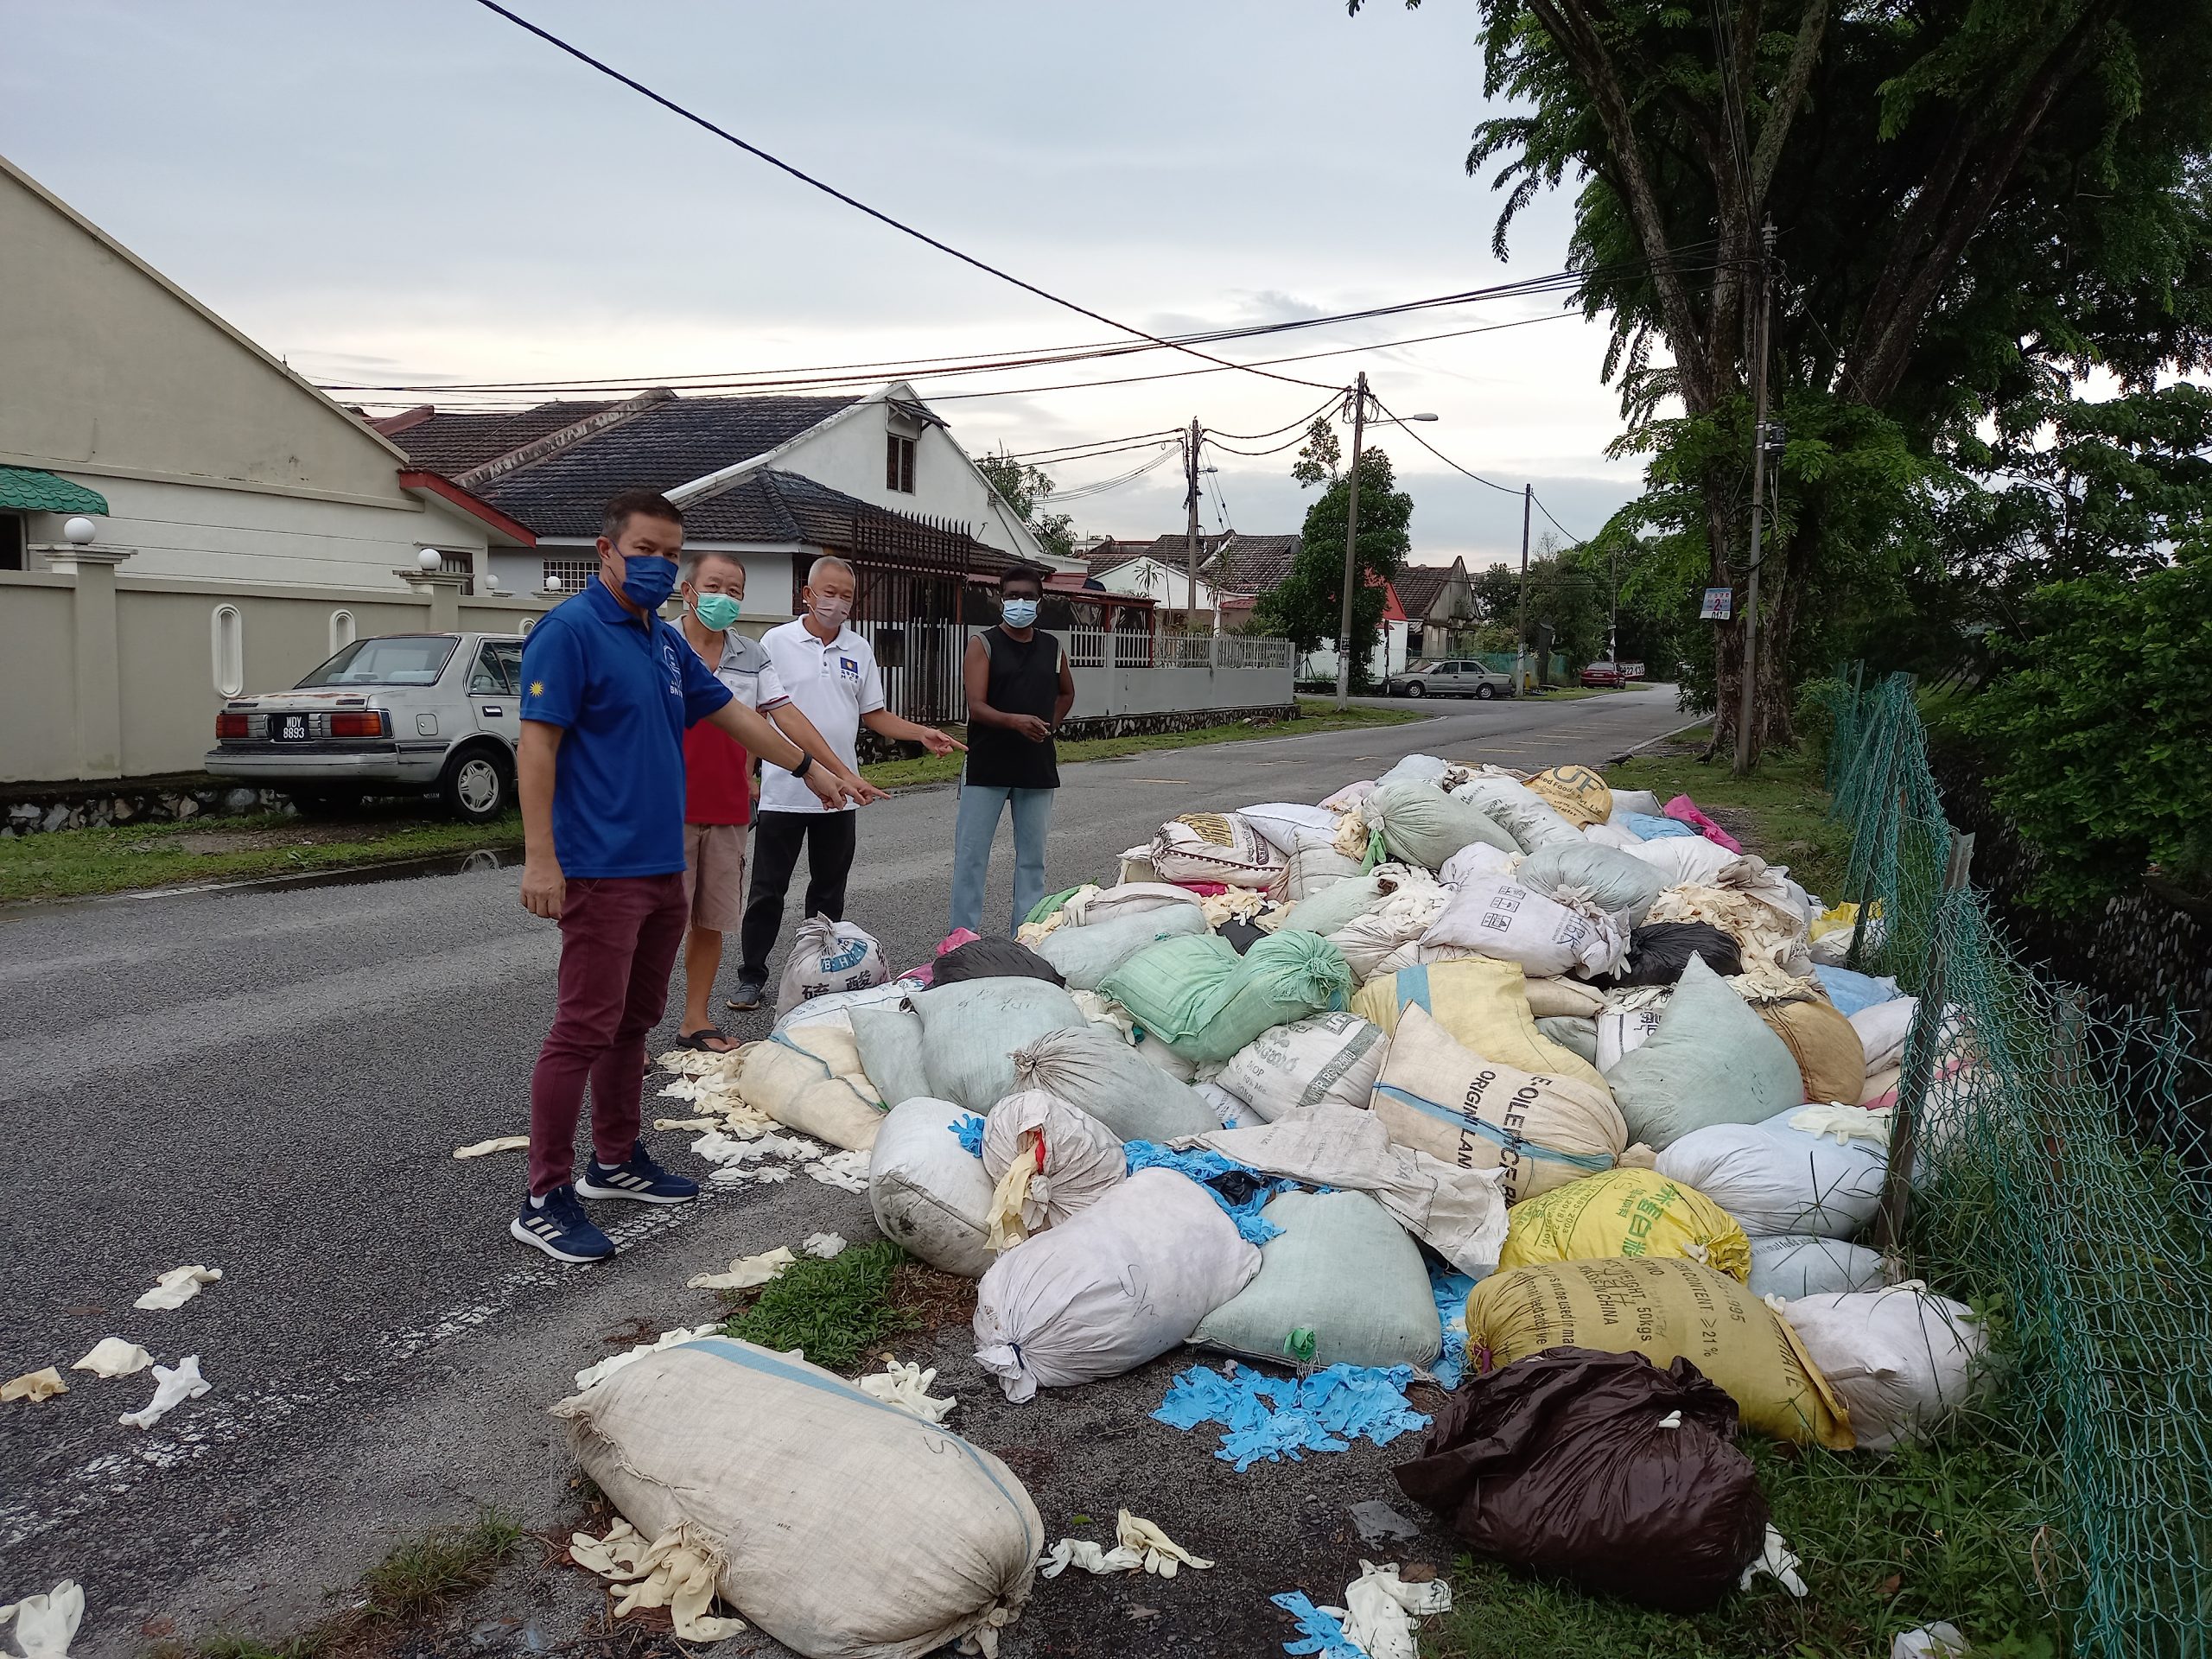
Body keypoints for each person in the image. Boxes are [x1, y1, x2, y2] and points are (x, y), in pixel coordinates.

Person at [512, 490, 867, 1265]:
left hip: (659, 862)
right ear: (606, 550)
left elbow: (734, 715)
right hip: (597, 866)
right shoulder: (568, 634)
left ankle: (614, 1160)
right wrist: (541, 858)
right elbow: (535, 748)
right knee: (582, 1027)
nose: (658, 567)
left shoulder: (659, 642)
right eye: (644, 550)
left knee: (635, 1021)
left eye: (669, 555)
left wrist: (810, 769)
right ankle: (545, 1195)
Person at [727, 555, 965, 1010]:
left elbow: (872, 713)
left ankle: (821, 973)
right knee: (767, 891)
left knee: (828, 890)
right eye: (828, 593)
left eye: (847, 596)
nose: (837, 603)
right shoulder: (776, 641)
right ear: (807, 594)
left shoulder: (858, 649)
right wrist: (747, 774)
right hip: (783, 790)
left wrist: (920, 732)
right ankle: (751, 976)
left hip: (840, 794)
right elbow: (756, 715)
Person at [671, 550, 876, 1053]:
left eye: (735, 591)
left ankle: (695, 1019)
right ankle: (629, 1033)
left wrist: (833, 773)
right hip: (662, 807)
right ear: (688, 590)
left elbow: (784, 717)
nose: (725, 598)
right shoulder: (658, 646)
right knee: (654, 926)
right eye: (715, 586)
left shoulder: (750, 655)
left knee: (712, 919)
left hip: (725, 809)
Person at [950, 565, 1075, 935]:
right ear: (1000, 599)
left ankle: (1025, 937)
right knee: (971, 859)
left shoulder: (1052, 647)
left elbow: (1067, 692)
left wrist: (1050, 724)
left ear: (1041, 601)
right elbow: (977, 706)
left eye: (1029, 596)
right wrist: (1015, 721)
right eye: (1013, 596)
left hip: (1035, 766)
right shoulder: (983, 644)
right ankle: (962, 940)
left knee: (1032, 861)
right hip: (988, 765)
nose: (1020, 603)